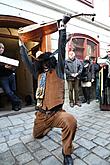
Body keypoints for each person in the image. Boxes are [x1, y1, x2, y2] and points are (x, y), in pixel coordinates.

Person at [19, 15, 77, 165]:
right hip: (40, 115)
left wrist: (62, 28)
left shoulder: (58, 70)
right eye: (40, 62)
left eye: (45, 61)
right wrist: (21, 45)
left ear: (50, 60)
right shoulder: (37, 74)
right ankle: (46, 128)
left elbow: (62, 49)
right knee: (37, 135)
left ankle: (67, 153)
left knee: (70, 121)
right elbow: (26, 62)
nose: (43, 64)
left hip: (56, 113)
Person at [0, 43, 22, 111]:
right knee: (8, 92)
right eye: (0, 48)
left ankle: (15, 106)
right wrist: (4, 67)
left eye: (2, 48)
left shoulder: (6, 56)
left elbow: (13, 65)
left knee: (13, 91)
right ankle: (18, 101)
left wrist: (12, 68)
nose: (1, 49)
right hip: (3, 78)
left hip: (11, 76)